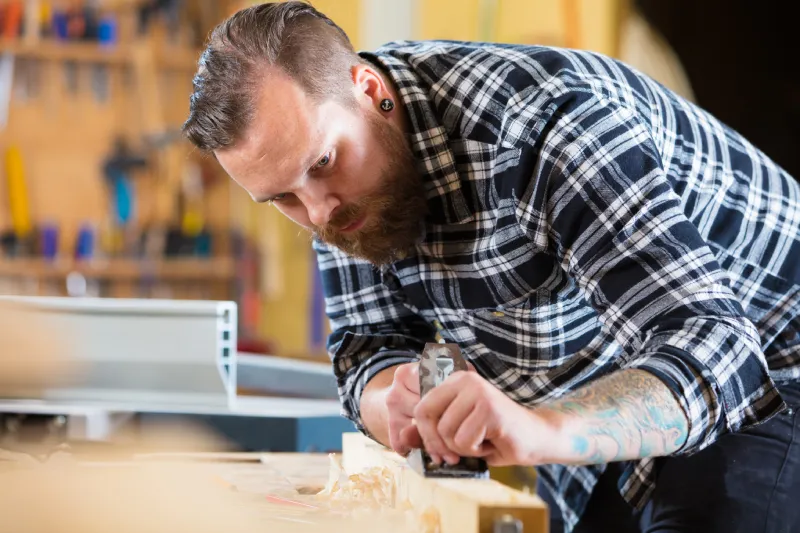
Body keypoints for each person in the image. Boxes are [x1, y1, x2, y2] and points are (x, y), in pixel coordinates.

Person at [182, 3, 800, 532]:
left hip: (771, 359)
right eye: (283, 198)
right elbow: (370, 345)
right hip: (616, 371)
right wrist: (389, 399)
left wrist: (541, 429)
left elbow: (718, 349)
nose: (318, 211)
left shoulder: (538, 128)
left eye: (322, 164)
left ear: (369, 90)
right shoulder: (334, 183)